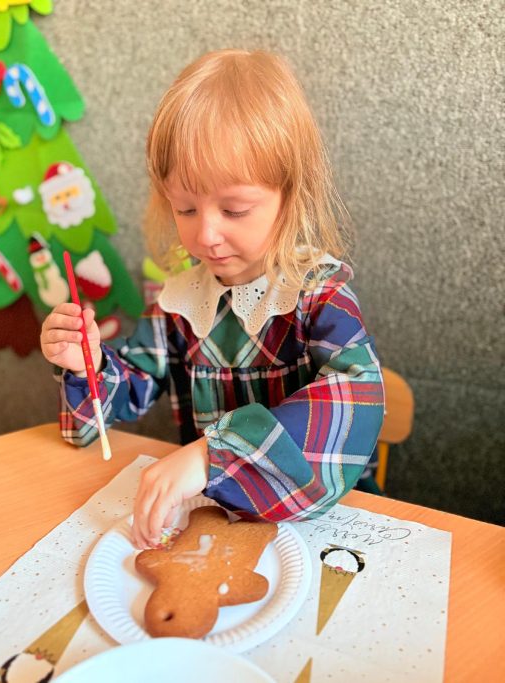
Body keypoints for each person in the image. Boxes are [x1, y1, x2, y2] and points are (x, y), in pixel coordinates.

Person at [40, 49, 385, 549]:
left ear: (291, 195)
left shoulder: (318, 295)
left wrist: (213, 456)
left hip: (323, 525)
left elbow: (353, 402)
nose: (205, 236)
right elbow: (112, 407)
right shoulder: (179, 304)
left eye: (234, 209)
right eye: (185, 209)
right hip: (214, 524)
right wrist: (87, 365)